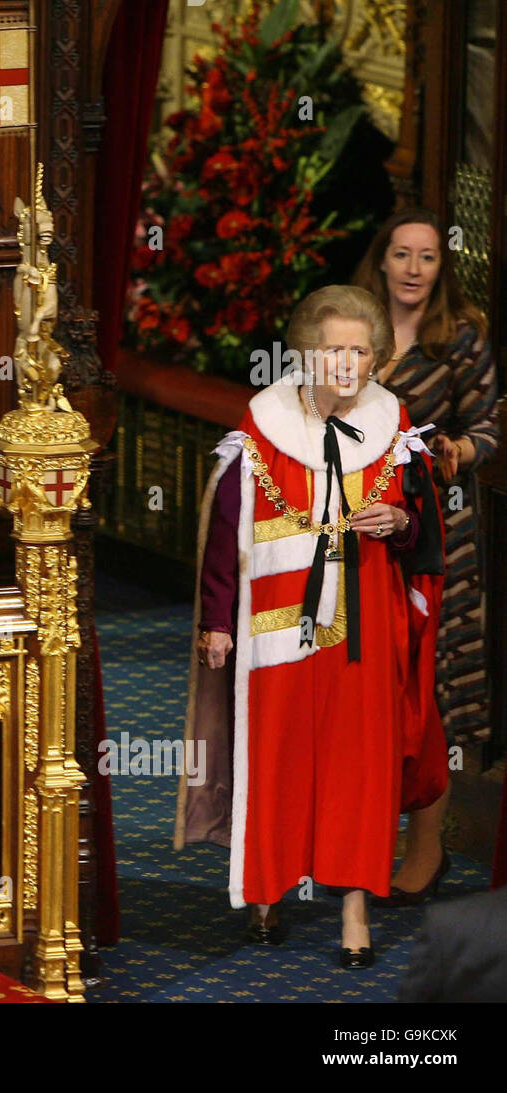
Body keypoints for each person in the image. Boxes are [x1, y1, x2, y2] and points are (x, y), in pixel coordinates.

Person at [174, 285, 447, 968]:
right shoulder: (263, 427)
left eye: (360, 350)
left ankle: (354, 907)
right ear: (306, 355)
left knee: (360, 767)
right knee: (279, 757)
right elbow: (225, 529)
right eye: (334, 350)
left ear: (377, 356)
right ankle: (267, 891)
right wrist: (215, 618)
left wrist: (401, 522)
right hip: (279, 629)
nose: (348, 363)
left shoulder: (398, 425)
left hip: (369, 626)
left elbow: (427, 531)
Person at [353, 208, 500, 905]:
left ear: (442, 268)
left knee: (426, 700)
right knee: (366, 693)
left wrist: (459, 454)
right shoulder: (350, 329)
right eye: (402, 254)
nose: (413, 268)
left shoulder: (459, 340)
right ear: (381, 260)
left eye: (428, 257)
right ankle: (355, 838)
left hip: (436, 543)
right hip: (355, 538)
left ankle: (427, 847)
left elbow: (493, 426)